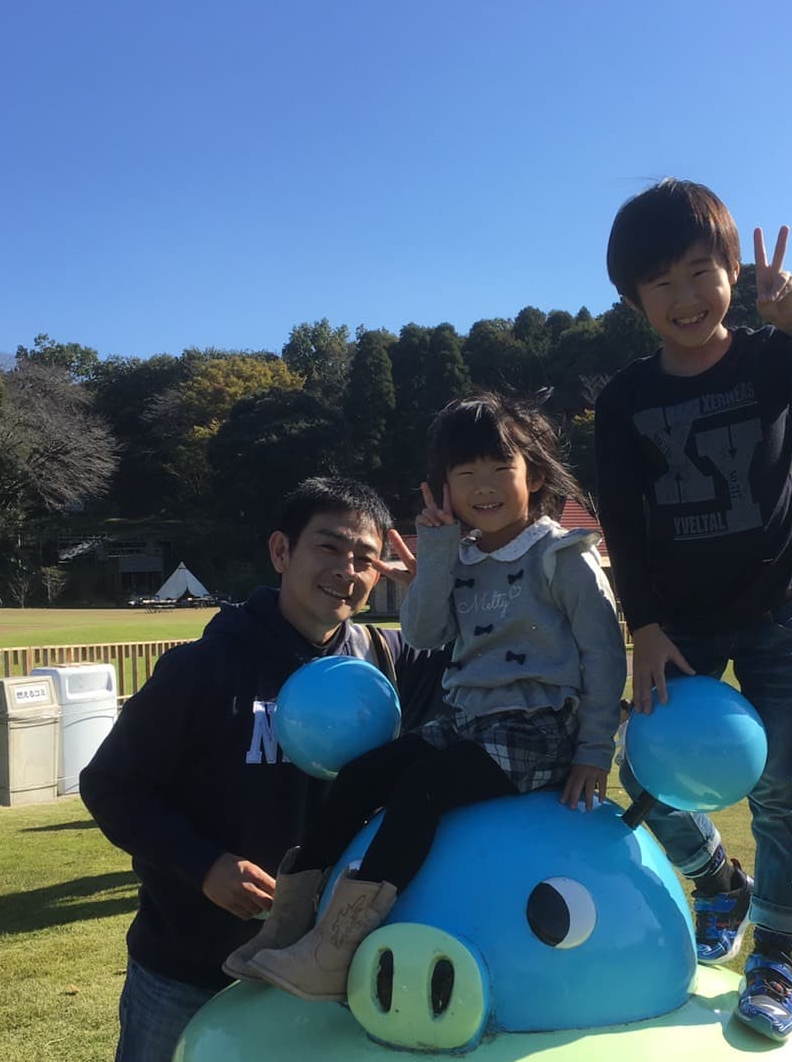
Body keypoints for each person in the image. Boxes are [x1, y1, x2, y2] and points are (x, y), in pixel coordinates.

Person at [66, 477, 443, 1062]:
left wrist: (444, 573)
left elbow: (481, 663)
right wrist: (201, 865)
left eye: (365, 557)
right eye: (328, 546)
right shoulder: (205, 668)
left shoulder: (384, 662)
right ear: (281, 551)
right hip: (184, 964)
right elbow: (110, 785)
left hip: (291, 973)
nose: (346, 570)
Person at [595, 178, 792, 1045]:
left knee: (781, 793)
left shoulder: (768, 358)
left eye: (701, 272)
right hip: (677, 626)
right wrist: (644, 627)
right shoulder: (625, 397)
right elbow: (622, 521)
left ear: (732, 271)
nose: (686, 297)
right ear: (635, 300)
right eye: (662, 283)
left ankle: (775, 961)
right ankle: (718, 880)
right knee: (640, 771)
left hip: (773, 611)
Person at [240, 393, 627, 1006]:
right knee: (362, 775)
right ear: (443, 486)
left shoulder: (563, 557)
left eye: (500, 468)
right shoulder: (461, 557)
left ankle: (335, 952)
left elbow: (605, 655)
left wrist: (594, 751)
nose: (484, 487)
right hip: (468, 723)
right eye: (465, 473)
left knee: (423, 789)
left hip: (540, 729)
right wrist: (439, 553)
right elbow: (423, 634)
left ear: (534, 475)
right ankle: (288, 922)